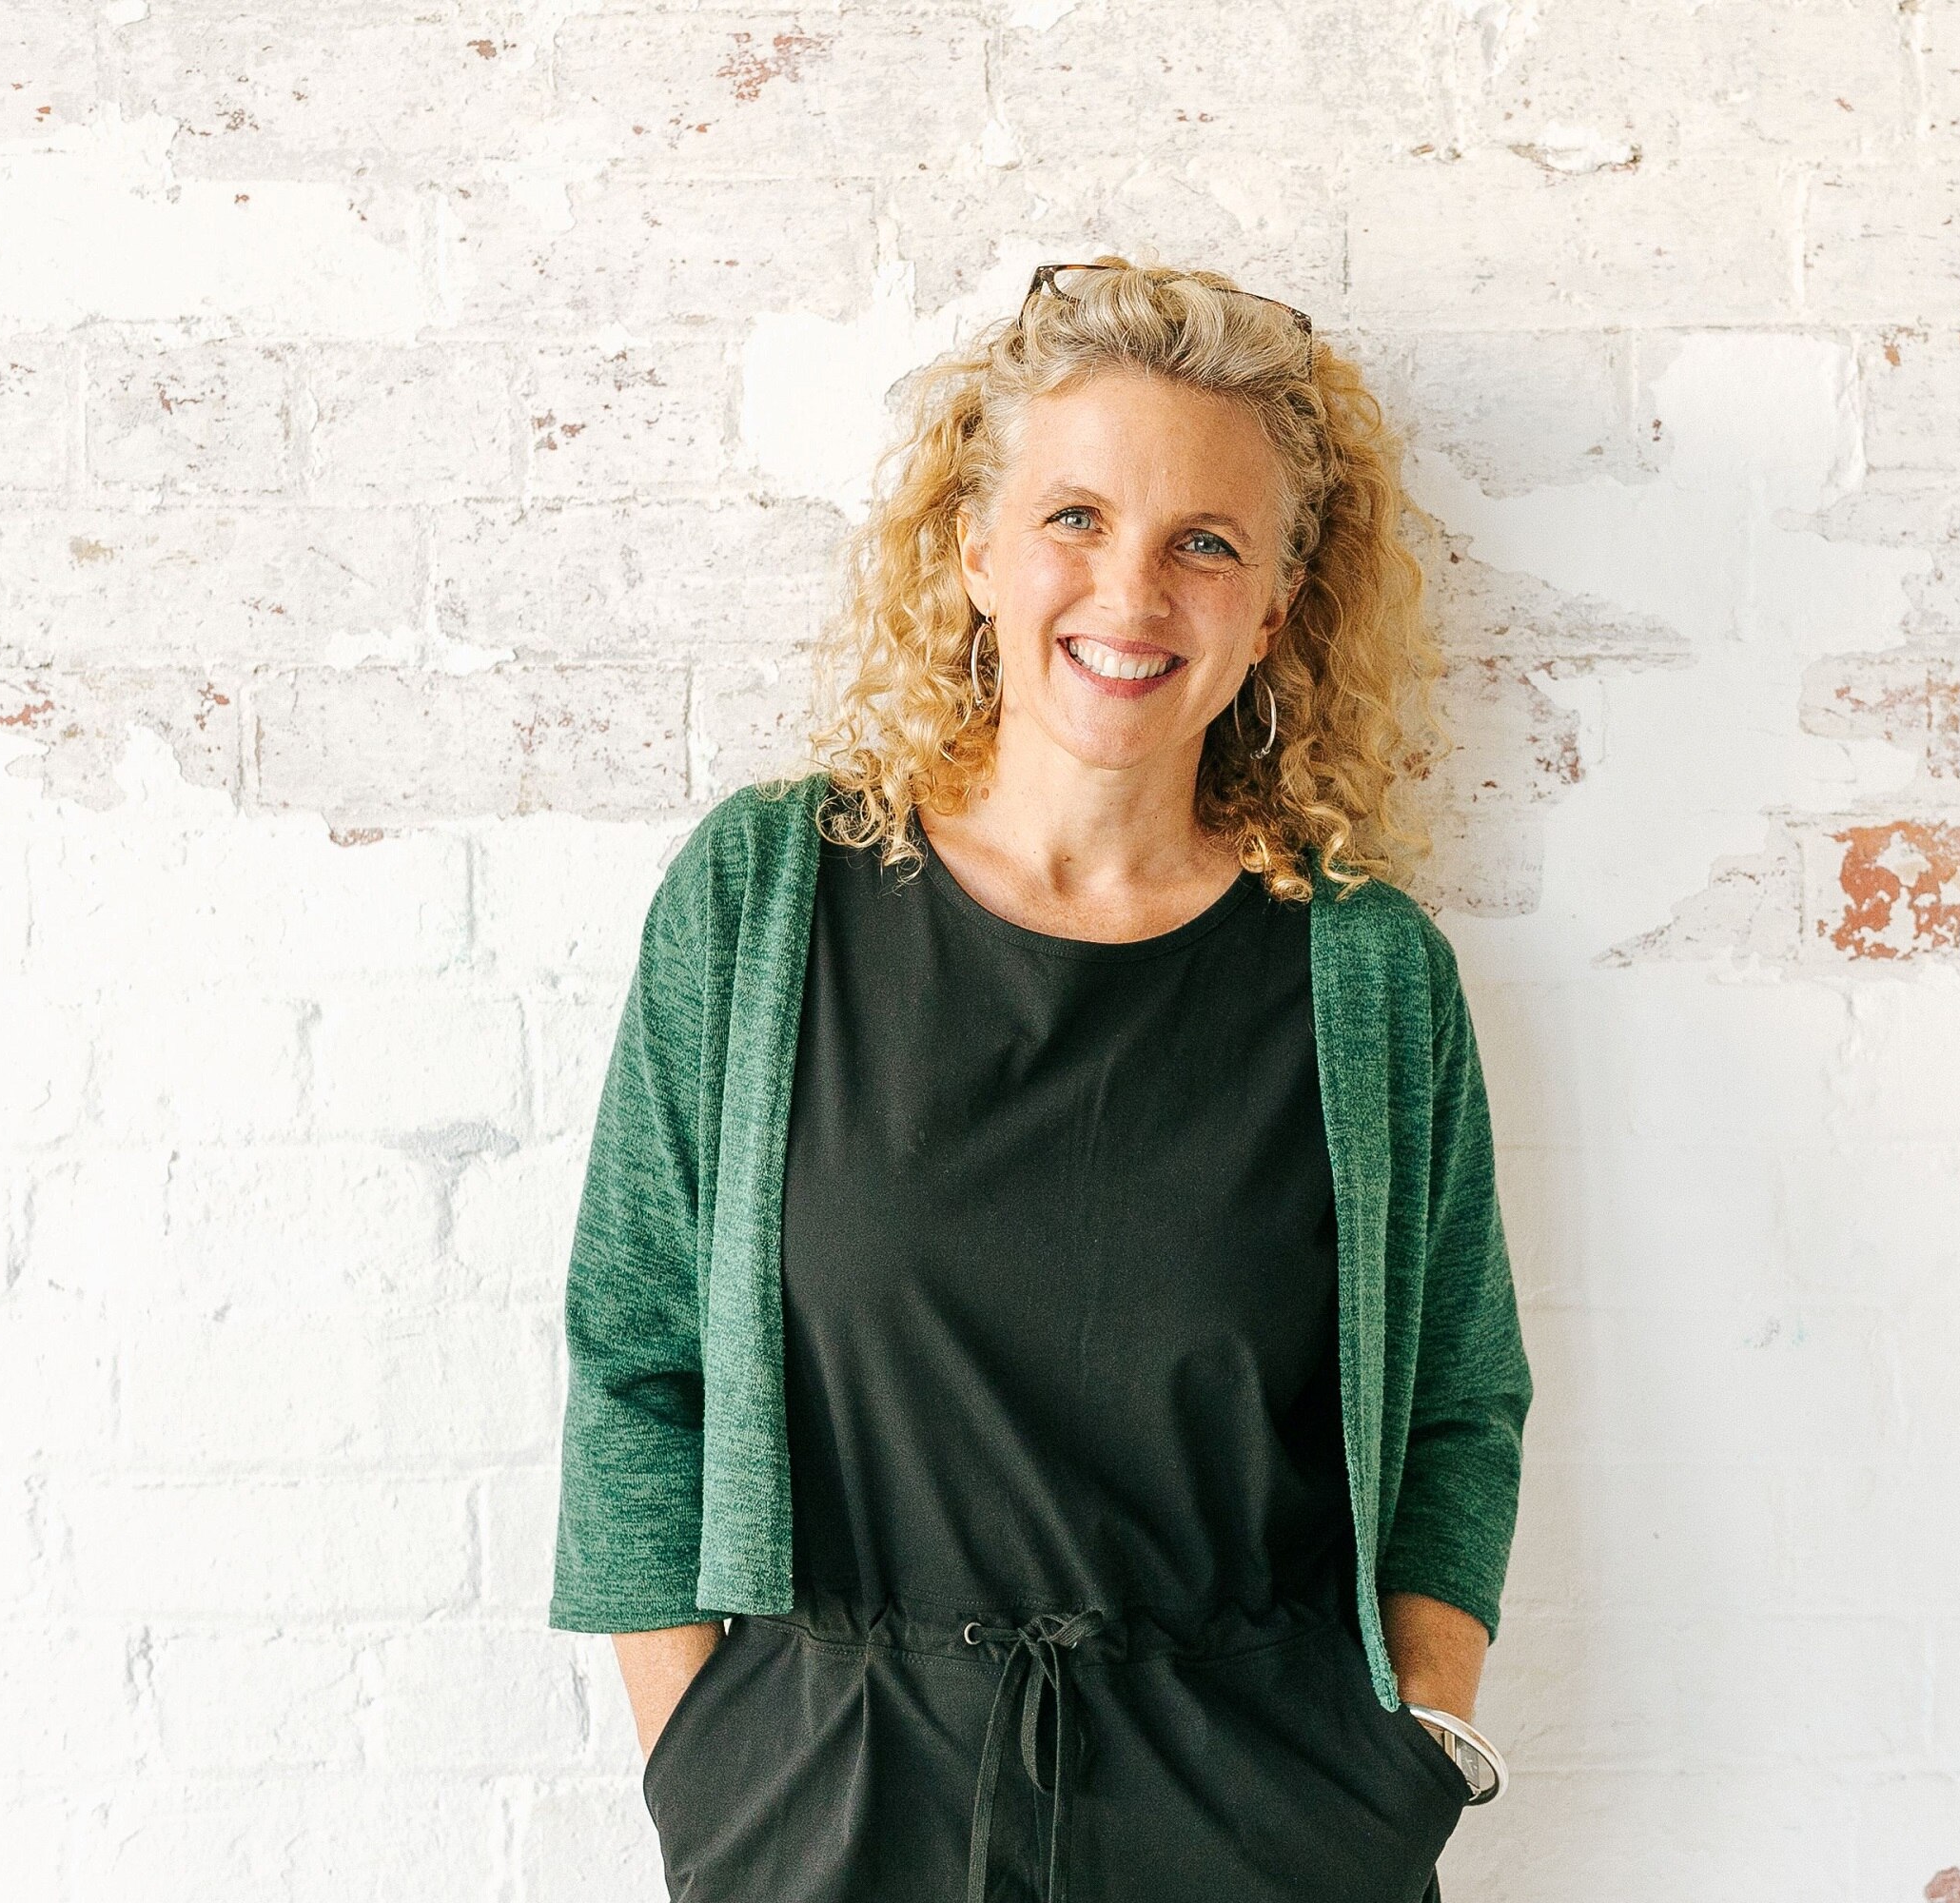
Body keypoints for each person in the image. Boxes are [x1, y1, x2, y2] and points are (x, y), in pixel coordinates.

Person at [546, 258, 1533, 1903]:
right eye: (1074, 517)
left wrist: (1406, 1751)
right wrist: (708, 1769)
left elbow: (1455, 1407)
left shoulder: (1365, 975)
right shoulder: (765, 898)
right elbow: (637, 1359)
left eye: (1204, 543)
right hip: (829, 1799)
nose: (1130, 595)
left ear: (1275, 610)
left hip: (1264, 1818)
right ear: (977, 553)